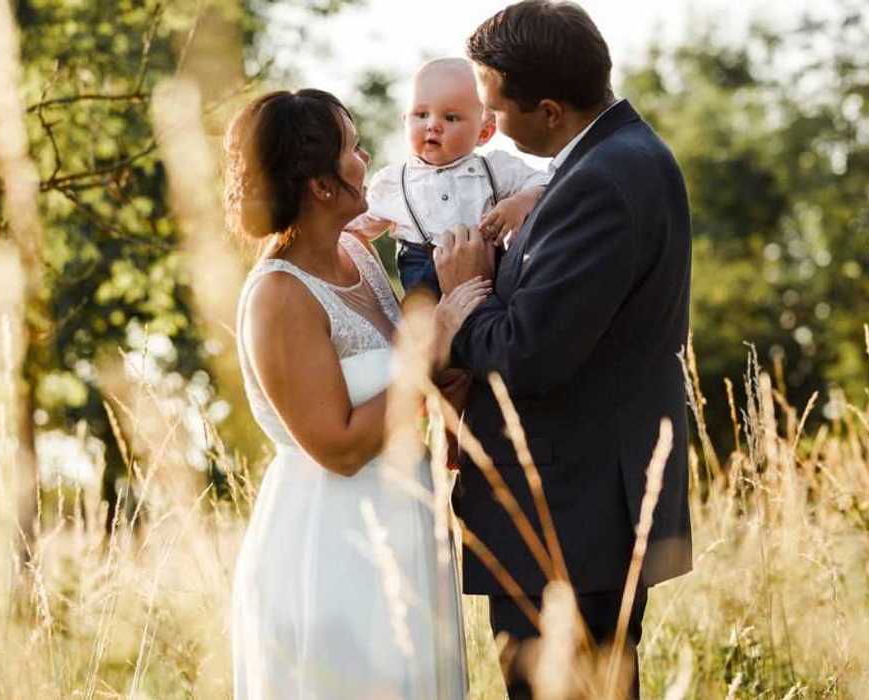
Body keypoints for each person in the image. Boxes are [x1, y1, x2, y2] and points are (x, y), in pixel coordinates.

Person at [434, 2, 695, 698]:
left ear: (549, 110)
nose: (489, 127)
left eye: (496, 109)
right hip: (586, 510)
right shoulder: (617, 159)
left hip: (565, 517)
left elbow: (531, 354)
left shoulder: (601, 182)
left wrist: (465, 298)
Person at [224, 88, 487, 699]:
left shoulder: (359, 254)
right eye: (352, 148)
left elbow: (407, 384)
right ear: (320, 184)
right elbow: (338, 448)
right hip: (332, 541)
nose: (367, 157)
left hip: (407, 523)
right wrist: (433, 339)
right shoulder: (279, 295)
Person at [351, 57, 548, 297]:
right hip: (425, 283)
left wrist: (521, 202)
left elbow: (549, 182)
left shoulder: (494, 168)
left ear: (484, 132)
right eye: (421, 114)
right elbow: (354, 224)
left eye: (451, 118)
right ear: (405, 121)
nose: (433, 125)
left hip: (488, 279)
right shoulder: (394, 182)